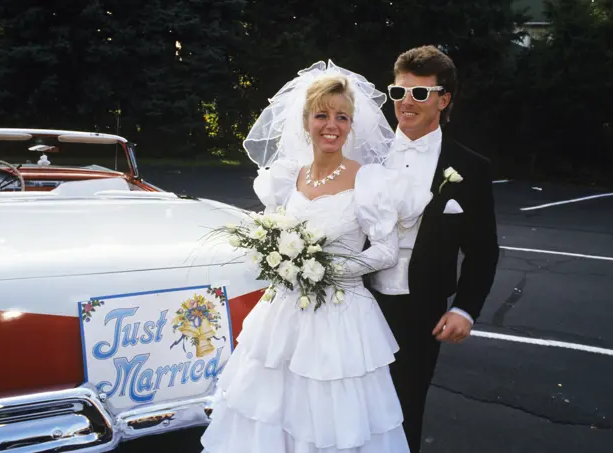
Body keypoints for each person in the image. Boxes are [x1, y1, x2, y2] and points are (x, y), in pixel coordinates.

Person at [200, 61, 432, 453]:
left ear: (351, 124)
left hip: (340, 317)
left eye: (342, 117)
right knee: (271, 409)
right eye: (322, 115)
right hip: (283, 316)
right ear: (306, 121)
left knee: (332, 416)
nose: (332, 125)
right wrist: (279, 259)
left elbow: (386, 251)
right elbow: (273, 228)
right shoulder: (287, 176)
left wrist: (328, 271)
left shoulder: (369, 180)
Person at [369, 45, 500, 450]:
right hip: (359, 299)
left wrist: (465, 308)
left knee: (405, 404)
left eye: (420, 94)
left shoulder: (471, 167)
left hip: (421, 308)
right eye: (398, 92)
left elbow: (483, 250)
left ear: (444, 100)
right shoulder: (364, 156)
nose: (406, 103)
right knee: (351, 400)